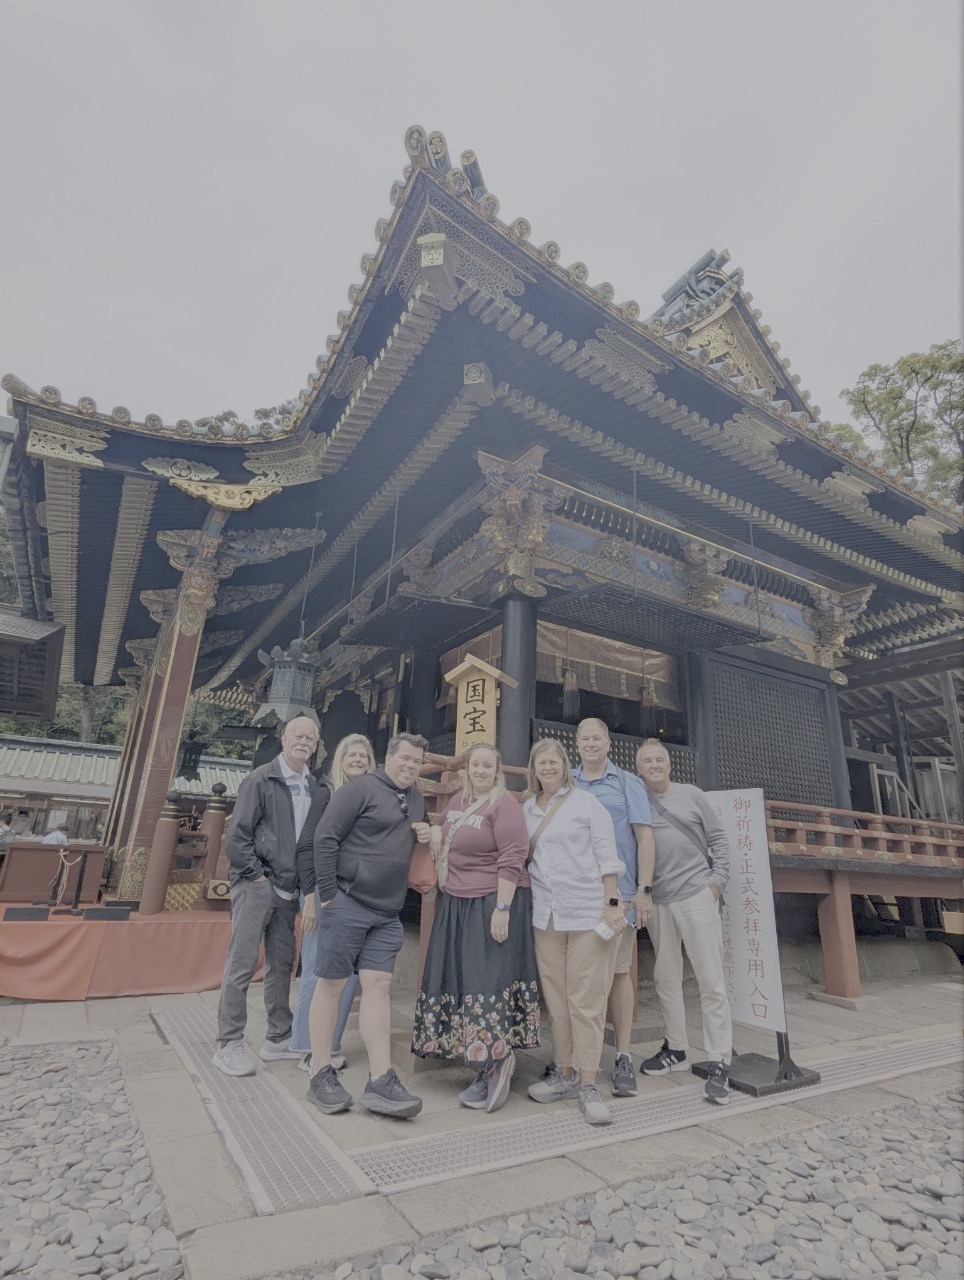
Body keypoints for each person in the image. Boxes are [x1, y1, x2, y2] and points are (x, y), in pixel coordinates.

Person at [307, 732, 431, 1119]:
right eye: (405, 758)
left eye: (417, 762)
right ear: (387, 757)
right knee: (332, 984)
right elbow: (325, 837)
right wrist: (328, 895)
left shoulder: (415, 799)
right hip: (347, 900)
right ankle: (320, 1072)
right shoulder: (358, 790)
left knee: (379, 985)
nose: (410, 766)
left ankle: (380, 1079)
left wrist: (429, 831)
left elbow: (419, 834)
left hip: (387, 911)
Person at [412, 743, 540, 1113]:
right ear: (467, 769)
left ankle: (497, 1062)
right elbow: (443, 829)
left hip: (490, 900)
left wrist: (502, 908)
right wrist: (433, 831)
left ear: (497, 771)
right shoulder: (458, 801)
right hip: (457, 901)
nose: (480, 771)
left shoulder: (504, 804)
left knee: (488, 980)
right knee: (464, 980)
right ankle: (479, 1063)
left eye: (487, 765)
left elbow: (513, 856)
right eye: (475, 765)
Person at [213, 716, 327, 1077]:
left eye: (310, 738)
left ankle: (278, 1035)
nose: (304, 742)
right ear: (284, 739)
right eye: (298, 735)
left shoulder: (315, 785)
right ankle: (228, 1043)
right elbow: (237, 837)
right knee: (243, 961)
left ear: (316, 745)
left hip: (289, 888)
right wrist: (258, 877)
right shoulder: (261, 779)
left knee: (282, 962)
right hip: (256, 884)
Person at [523, 738, 625, 1126]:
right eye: (541, 762)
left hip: (587, 910)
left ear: (565, 766)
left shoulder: (587, 803)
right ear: (533, 769)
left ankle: (588, 1082)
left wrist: (611, 902)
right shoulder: (527, 810)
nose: (548, 767)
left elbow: (607, 855)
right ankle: (564, 1072)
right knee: (557, 997)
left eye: (554, 761)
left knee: (587, 998)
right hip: (546, 913)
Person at [636, 738, 733, 1106]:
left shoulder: (692, 795)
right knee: (665, 977)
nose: (654, 765)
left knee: (710, 980)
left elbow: (719, 838)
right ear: (639, 768)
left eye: (659, 759)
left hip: (696, 893)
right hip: (659, 898)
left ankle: (719, 1059)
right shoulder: (638, 799)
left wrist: (716, 883)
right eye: (647, 761)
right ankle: (676, 1048)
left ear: (669, 764)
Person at [573, 718, 654, 1098]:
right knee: (579, 978)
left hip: (618, 895)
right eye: (585, 738)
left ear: (608, 744)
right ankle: (576, 1057)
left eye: (597, 738)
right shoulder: (568, 781)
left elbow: (645, 837)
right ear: (577, 745)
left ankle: (623, 1055)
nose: (591, 744)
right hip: (576, 895)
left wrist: (644, 890)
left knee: (620, 974)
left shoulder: (626, 782)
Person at [291, 734, 375, 1073]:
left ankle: (331, 1044)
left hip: (355, 895)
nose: (357, 760)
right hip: (322, 890)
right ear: (340, 760)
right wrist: (310, 897)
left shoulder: (371, 797)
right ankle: (307, 1046)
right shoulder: (326, 793)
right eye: (351, 755)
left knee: (348, 973)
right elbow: (307, 846)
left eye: (363, 756)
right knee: (318, 968)